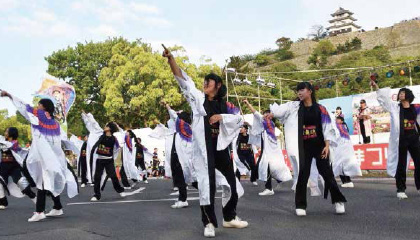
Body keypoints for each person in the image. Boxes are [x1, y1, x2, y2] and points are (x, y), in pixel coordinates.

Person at [163, 46, 248, 238]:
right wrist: (171, 60)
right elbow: (183, 81)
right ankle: (208, 223)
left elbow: (239, 120)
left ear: (217, 85)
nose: (204, 84)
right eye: (204, 82)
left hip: (221, 150)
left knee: (231, 184)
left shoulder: (227, 105)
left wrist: (221, 118)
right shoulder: (198, 99)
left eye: (208, 82)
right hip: (204, 151)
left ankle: (229, 217)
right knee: (206, 186)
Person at [270, 82, 347, 216]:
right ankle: (300, 205)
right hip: (303, 147)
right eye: (298, 91)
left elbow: (327, 127)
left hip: (319, 146)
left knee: (327, 173)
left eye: (302, 90)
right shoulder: (294, 107)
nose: (299, 93)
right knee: (302, 175)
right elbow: (280, 111)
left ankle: (338, 200)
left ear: (310, 91)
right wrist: (271, 114)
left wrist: (327, 145)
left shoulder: (320, 109)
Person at [1, 90, 78, 222]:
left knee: (42, 182)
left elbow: (23, 106)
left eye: (39, 105)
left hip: (44, 157)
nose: (37, 107)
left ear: (44, 107)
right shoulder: (55, 123)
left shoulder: (38, 115)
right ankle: (57, 207)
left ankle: (40, 211)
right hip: (52, 157)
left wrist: (9, 95)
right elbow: (59, 141)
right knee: (47, 181)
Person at [372, 81, 420, 199]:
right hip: (401, 139)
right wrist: (377, 88)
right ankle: (401, 189)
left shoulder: (416, 108)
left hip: (414, 138)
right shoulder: (395, 107)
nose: (401, 94)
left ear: (408, 95)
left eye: (403, 93)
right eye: (400, 93)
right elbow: (384, 101)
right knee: (401, 164)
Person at [243, 100, 292, 196]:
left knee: (264, 166)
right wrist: (249, 125)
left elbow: (255, 113)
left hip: (270, 151)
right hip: (270, 151)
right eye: (264, 114)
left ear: (270, 116)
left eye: (266, 114)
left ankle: (269, 188)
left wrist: (248, 104)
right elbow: (258, 128)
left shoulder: (267, 123)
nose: (264, 116)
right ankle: (276, 181)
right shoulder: (268, 125)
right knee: (264, 167)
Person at [81, 112, 126, 201]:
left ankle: (120, 190)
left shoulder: (114, 139)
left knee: (113, 177)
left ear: (110, 129)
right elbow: (94, 123)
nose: (104, 127)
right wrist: (87, 115)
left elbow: (116, 149)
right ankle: (96, 195)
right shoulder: (100, 134)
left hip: (109, 161)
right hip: (100, 160)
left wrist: (112, 157)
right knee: (97, 177)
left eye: (106, 126)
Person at [162, 101, 195, 209]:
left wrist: (167, 105)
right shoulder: (180, 130)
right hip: (178, 157)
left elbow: (174, 116)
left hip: (182, 159)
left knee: (187, 179)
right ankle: (182, 199)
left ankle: (183, 199)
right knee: (182, 179)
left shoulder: (184, 127)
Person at [0, 127, 37, 209]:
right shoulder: (3, 140)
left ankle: (36, 200)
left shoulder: (14, 143)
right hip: (3, 167)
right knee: (0, 184)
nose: (5, 132)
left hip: (14, 167)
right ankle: (3, 202)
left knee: (22, 183)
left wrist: (2, 142)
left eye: (7, 131)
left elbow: (9, 146)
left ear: (11, 133)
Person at [332, 116, 362, 188]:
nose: (336, 121)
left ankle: (347, 181)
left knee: (340, 165)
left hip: (341, 149)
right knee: (343, 165)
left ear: (342, 121)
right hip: (345, 149)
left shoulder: (339, 127)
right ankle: (347, 181)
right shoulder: (343, 127)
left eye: (337, 120)